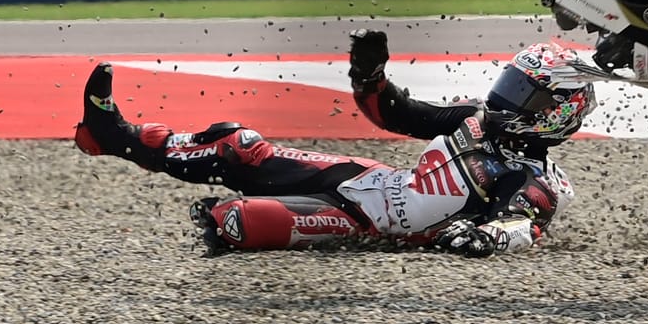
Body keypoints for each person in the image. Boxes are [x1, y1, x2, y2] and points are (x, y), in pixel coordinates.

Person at [72, 31, 593, 256]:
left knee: (236, 221)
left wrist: (486, 239)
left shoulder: (537, 180)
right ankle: (114, 136)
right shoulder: (474, 118)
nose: (505, 97)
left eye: (523, 93)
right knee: (239, 144)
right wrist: (370, 75)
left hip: (372, 225)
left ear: (554, 113)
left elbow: (524, 226)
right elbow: (393, 113)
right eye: (510, 84)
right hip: (367, 181)